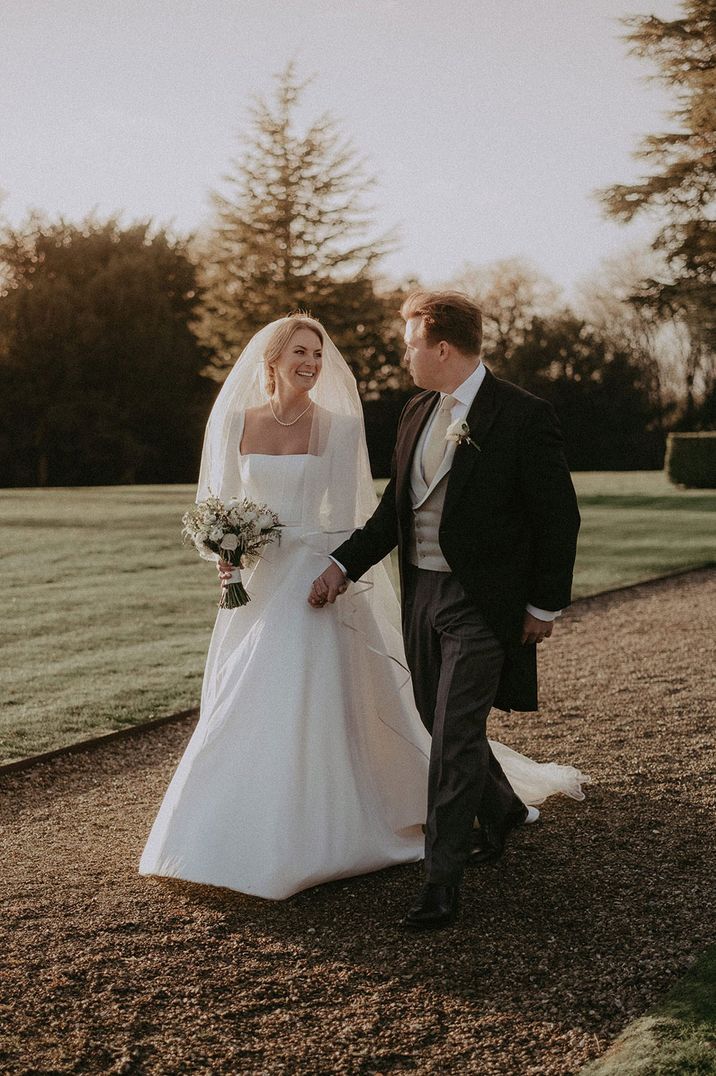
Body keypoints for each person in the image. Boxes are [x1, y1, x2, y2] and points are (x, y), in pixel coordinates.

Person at [139, 313, 587, 905]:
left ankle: (398, 864)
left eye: (318, 354)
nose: (312, 364)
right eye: (300, 352)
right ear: (271, 359)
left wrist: (339, 567)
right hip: (260, 582)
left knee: (392, 710)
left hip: (320, 574)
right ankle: (230, 828)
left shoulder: (343, 428)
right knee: (250, 695)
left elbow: (361, 515)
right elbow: (218, 502)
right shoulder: (238, 422)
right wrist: (224, 549)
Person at [310, 292, 583, 930]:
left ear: (440, 346)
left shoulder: (521, 415)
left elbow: (557, 516)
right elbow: (393, 515)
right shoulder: (415, 412)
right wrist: (342, 565)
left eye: (409, 342)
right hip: (423, 594)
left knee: (455, 736)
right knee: (439, 723)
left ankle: (441, 881)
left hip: (482, 603)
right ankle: (507, 809)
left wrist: (543, 604)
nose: (402, 353)